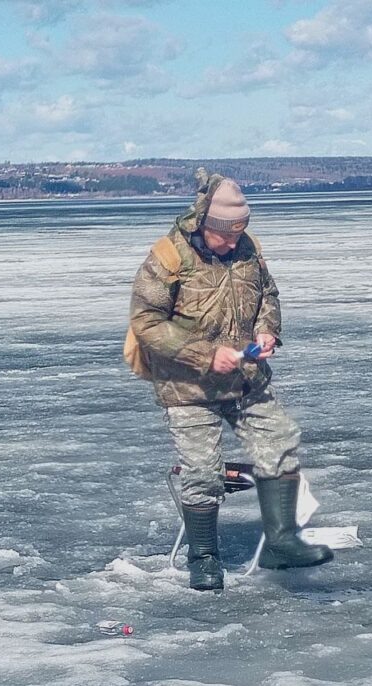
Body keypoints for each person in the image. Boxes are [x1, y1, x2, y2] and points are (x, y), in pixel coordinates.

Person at [128, 169, 333, 591]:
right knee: (203, 471)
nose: (233, 241)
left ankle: (280, 542)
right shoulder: (167, 257)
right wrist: (206, 354)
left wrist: (267, 330)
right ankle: (203, 557)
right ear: (206, 225)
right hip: (187, 386)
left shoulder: (248, 249)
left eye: (241, 232)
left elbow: (268, 294)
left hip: (245, 376)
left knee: (279, 441)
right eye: (227, 235)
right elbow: (146, 323)